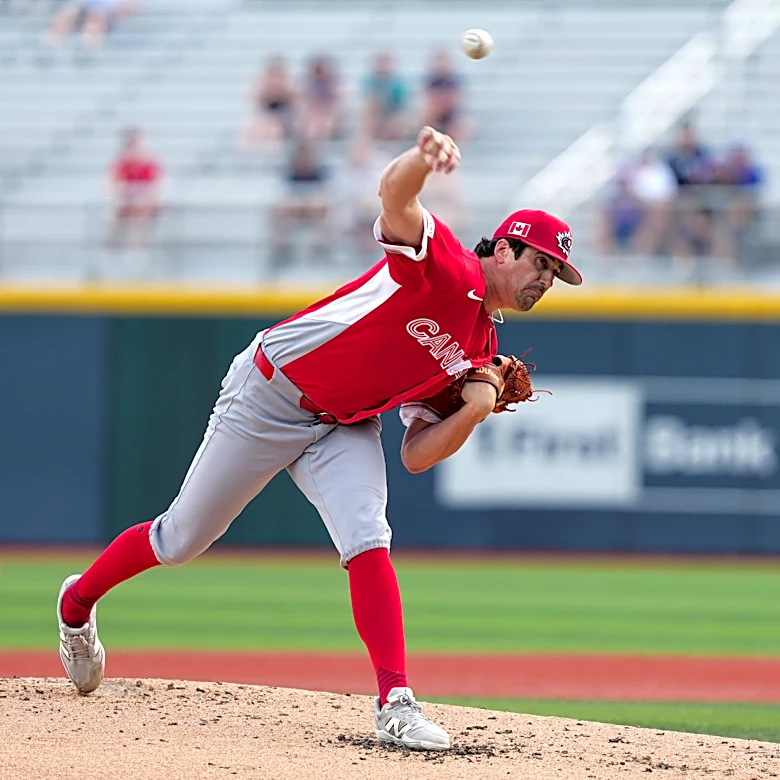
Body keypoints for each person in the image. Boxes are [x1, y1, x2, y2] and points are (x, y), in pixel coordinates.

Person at [56, 126, 582, 751]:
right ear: (504, 251)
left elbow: (417, 455)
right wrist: (422, 158)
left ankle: (396, 701)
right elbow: (394, 198)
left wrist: (475, 406)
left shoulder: (481, 350)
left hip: (344, 422)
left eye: (555, 272)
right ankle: (76, 604)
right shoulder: (449, 270)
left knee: (368, 534)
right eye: (541, 263)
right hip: (270, 393)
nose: (546, 279)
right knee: (181, 539)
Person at [106, 127, 162, 251]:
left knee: (141, 215)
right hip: (126, 203)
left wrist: (141, 198)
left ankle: (139, 250)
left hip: (144, 204)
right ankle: (112, 248)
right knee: (117, 214)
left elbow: (154, 188)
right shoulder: (121, 164)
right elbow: (114, 185)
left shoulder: (148, 164)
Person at [242, 56, 297, 148]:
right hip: (266, 119)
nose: (276, 79)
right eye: (273, 74)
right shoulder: (261, 86)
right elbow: (254, 100)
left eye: (279, 74)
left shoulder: (289, 86)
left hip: (285, 119)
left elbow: (294, 102)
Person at [362, 52, 408, 141]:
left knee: (398, 121)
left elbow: (402, 106)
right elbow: (369, 102)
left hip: (393, 115)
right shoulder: (371, 82)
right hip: (377, 114)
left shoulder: (398, 84)